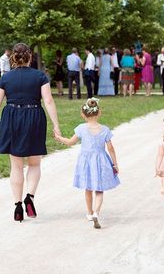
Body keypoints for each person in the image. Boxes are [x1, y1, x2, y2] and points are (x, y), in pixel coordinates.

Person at [0, 43, 61, 222]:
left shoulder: (6, 78)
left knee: (16, 166)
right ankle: (29, 198)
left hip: (12, 118)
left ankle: (17, 206)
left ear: (13, 58)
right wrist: (56, 125)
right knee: (34, 164)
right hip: (34, 117)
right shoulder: (40, 76)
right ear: (30, 57)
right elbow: (48, 101)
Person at [54, 98, 120, 229]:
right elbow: (111, 148)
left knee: (88, 188)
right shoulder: (105, 129)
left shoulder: (81, 128)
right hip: (101, 161)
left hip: (86, 162)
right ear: (99, 112)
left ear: (83, 114)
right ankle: (96, 212)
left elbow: (70, 142)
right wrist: (115, 164)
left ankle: (89, 213)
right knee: (99, 190)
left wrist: (59, 138)